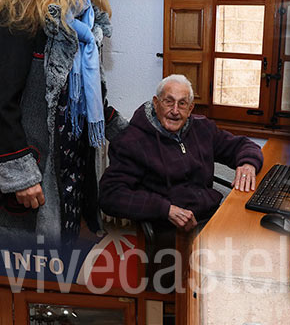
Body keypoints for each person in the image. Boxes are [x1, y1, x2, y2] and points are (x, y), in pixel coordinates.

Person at [0, 0, 125, 243]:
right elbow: (3, 99)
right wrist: (20, 175)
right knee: (26, 282)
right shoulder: (24, 8)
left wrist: (139, 136)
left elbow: (88, 101)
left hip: (71, 173)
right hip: (33, 178)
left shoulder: (87, 23)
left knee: (60, 273)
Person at [99, 75, 263, 231]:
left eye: (182, 103)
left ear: (191, 108)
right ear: (156, 103)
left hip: (211, 216)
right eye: (168, 102)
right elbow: (110, 195)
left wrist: (248, 164)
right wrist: (165, 209)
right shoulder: (132, 141)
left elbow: (243, 145)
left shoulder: (202, 127)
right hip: (170, 229)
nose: (175, 111)